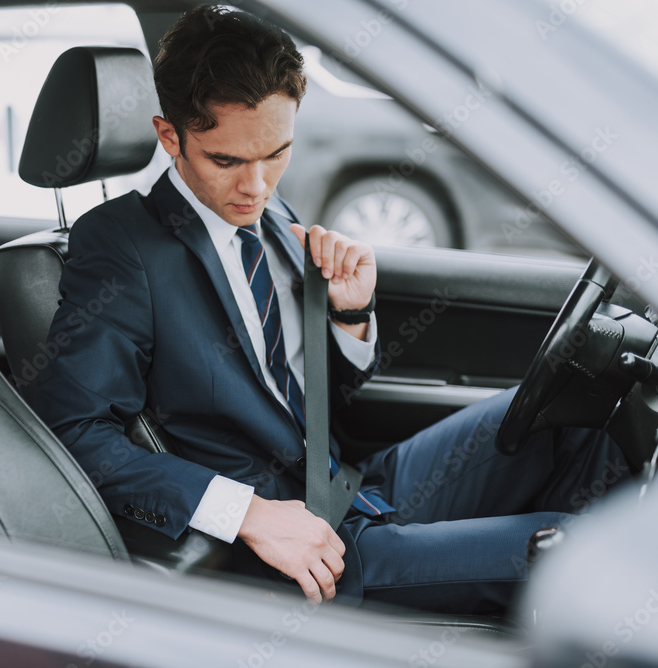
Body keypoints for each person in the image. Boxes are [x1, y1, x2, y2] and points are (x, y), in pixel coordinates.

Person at [31, 5, 630, 613]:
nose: (256, 187)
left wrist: (350, 315)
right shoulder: (121, 244)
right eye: (226, 161)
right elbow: (72, 431)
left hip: (348, 485)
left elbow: (312, 396)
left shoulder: (273, 216)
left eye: (277, 153)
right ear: (170, 137)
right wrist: (248, 514)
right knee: (592, 553)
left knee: (574, 415)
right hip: (289, 551)